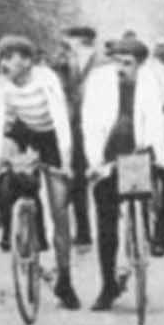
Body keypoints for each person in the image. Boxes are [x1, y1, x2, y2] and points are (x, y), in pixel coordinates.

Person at [82, 38, 164, 310]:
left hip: (139, 151)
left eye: (127, 63)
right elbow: (90, 123)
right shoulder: (98, 80)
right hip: (108, 154)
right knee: (106, 218)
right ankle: (107, 285)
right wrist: (96, 163)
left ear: (139, 64)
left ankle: (161, 235)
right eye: (116, 61)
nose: (120, 68)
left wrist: (162, 160)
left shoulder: (149, 80)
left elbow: (153, 121)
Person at [0, 35, 81, 310]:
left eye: (10, 59)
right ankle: (18, 226)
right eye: (2, 58)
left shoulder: (46, 78)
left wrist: (66, 161)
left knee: (60, 209)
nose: (4, 65)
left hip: (51, 134)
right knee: (0, 175)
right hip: (24, 132)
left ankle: (65, 278)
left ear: (26, 61)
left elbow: (61, 120)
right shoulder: (1, 84)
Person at [51, 25, 101, 252]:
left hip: (95, 124)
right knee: (76, 178)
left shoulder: (102, 63)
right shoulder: (62, 63)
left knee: (86, 179)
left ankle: (84, 231)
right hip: (72, 126)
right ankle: (83, 232)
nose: (66, 46)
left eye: (70, 41)